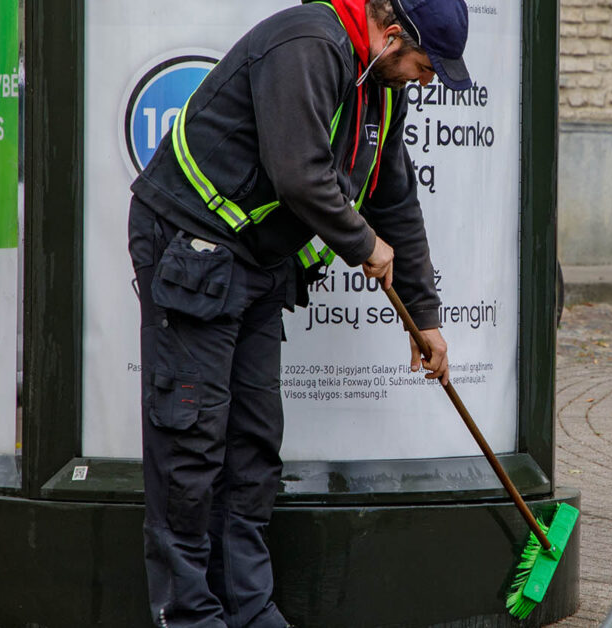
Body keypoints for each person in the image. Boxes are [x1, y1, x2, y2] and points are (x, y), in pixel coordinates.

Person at [126, 0, 471, 625]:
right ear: (394, 36)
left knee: (253, 444)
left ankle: (248, 609)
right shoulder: (309, 44)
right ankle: (189, 615)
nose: (425, 81)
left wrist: (425, 318)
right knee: (192, 439)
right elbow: (299, 174)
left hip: (257, 264)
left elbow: (395, 201)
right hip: (190, 243)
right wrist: (362, 243)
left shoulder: (380, 90)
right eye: (425, 67)